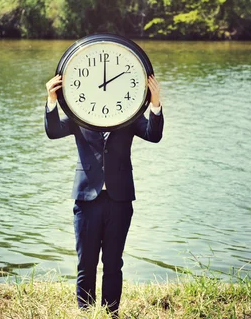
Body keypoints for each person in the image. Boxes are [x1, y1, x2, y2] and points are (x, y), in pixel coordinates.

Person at [44, 73, 164, 315]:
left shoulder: (128, 114)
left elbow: (154, 135)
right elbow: (53, 131)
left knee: (113, 264)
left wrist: (155, 102)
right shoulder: (80, 114)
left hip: (119, 201)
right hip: (86, 200)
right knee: (85, 264)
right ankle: (86, 313)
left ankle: (111, 314)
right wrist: (51, 100)